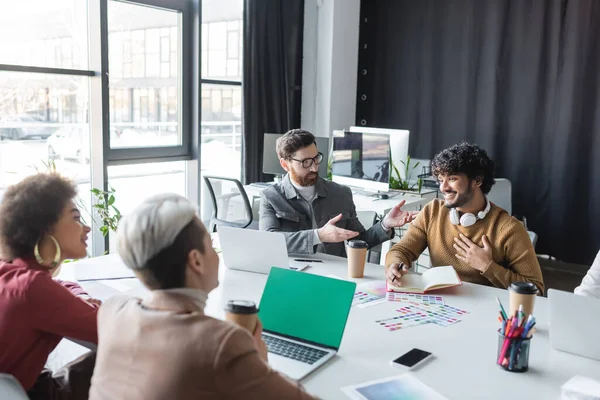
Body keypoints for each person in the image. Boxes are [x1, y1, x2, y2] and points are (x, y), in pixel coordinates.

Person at [89, 193, 317, 400]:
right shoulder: (222, 342)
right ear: (196, 261)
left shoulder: (112, 311)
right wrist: (257, 362)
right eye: (211, 245)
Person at [385, 142, 544, 294]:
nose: (443, 187)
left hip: (485, 311)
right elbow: (402, 250)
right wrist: (395, 265)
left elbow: (536, 290)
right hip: (440, 305)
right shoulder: (432, 211)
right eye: (441, 180)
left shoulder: (509, 229)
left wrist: (488, 267)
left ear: (477, 180)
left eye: (452, 179)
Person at [0, 172, 100, 399]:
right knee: (120, 352)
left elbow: (62, 284)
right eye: (75, 218)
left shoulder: (10, 270)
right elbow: (109, 326)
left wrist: (77, 297)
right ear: (45, 228)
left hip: (14, 387)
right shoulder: (33, 288)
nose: (86, 228)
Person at [259, 129, 416, 256]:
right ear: (285, 164)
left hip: (333, 275)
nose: (314, 168)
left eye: (316, 159)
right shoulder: (271, 196)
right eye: (306, 162)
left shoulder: (341, 193)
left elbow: (360, 240)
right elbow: (268, 242)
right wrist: (318, 235)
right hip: (291, 273)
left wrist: (384, 225)